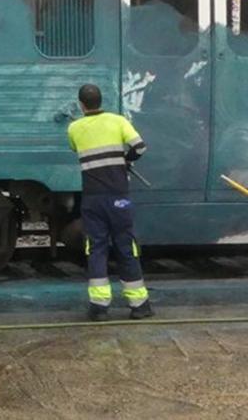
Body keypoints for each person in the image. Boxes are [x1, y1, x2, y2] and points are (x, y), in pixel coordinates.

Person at [67, 83, 153, 321]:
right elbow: (140, 147)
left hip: (92, 199)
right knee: (126, 246)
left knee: (96, 248)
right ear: (101, 100)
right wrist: (126, 159)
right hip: (118, 197)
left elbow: (76, 148)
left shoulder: (74, 128)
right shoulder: (118, 121)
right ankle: (139, 305)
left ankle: (99, 307)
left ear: (81, 104)